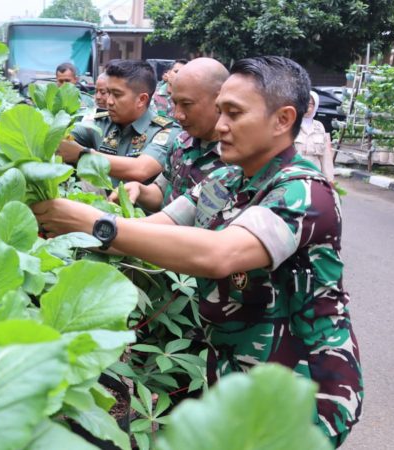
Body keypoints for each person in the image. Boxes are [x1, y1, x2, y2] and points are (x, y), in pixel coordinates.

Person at [33, 56, 362, 447]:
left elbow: (220, 254)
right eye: (220, 110)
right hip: (232, 371)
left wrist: (97, 225)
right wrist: (67, 229)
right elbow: (156, 230)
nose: (220, 125)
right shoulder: (224, 178)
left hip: (301, 387)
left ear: (282, 119)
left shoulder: (306, 190)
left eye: (234, 113)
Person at [111, 58, 229, 211]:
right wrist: (140, 190)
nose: (177, 114)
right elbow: (162, 192)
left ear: (219, 99)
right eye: (175, 103)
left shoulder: (236, 155)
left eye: (187, 104)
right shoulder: (182, 141)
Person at [57, 60, 181, 186]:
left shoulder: (165, 131)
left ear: (141, 99)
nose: (109, 101)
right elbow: (63, 141)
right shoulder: (100, 123)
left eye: (117, 94)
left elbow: (141, 169)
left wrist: (83, 155)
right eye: (109, 93)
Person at [295, 91, 335, 181]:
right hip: (295, 174)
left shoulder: (319, 126)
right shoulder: (292, 125)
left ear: (315, 106)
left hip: (315, 176)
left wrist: (329, 180)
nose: (306, 107)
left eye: (309, 104)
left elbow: (325, 157)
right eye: (304, 103)